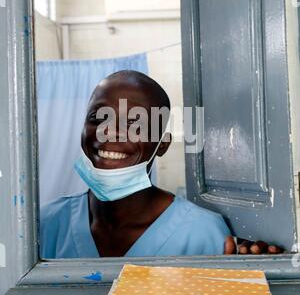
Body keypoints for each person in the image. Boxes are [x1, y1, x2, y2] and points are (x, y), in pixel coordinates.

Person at [40, 71, 282, 258]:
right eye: (97, 118)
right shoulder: (46, 225)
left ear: (162, 145)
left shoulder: (203, 234)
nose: (109, 132)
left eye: (135, 123)